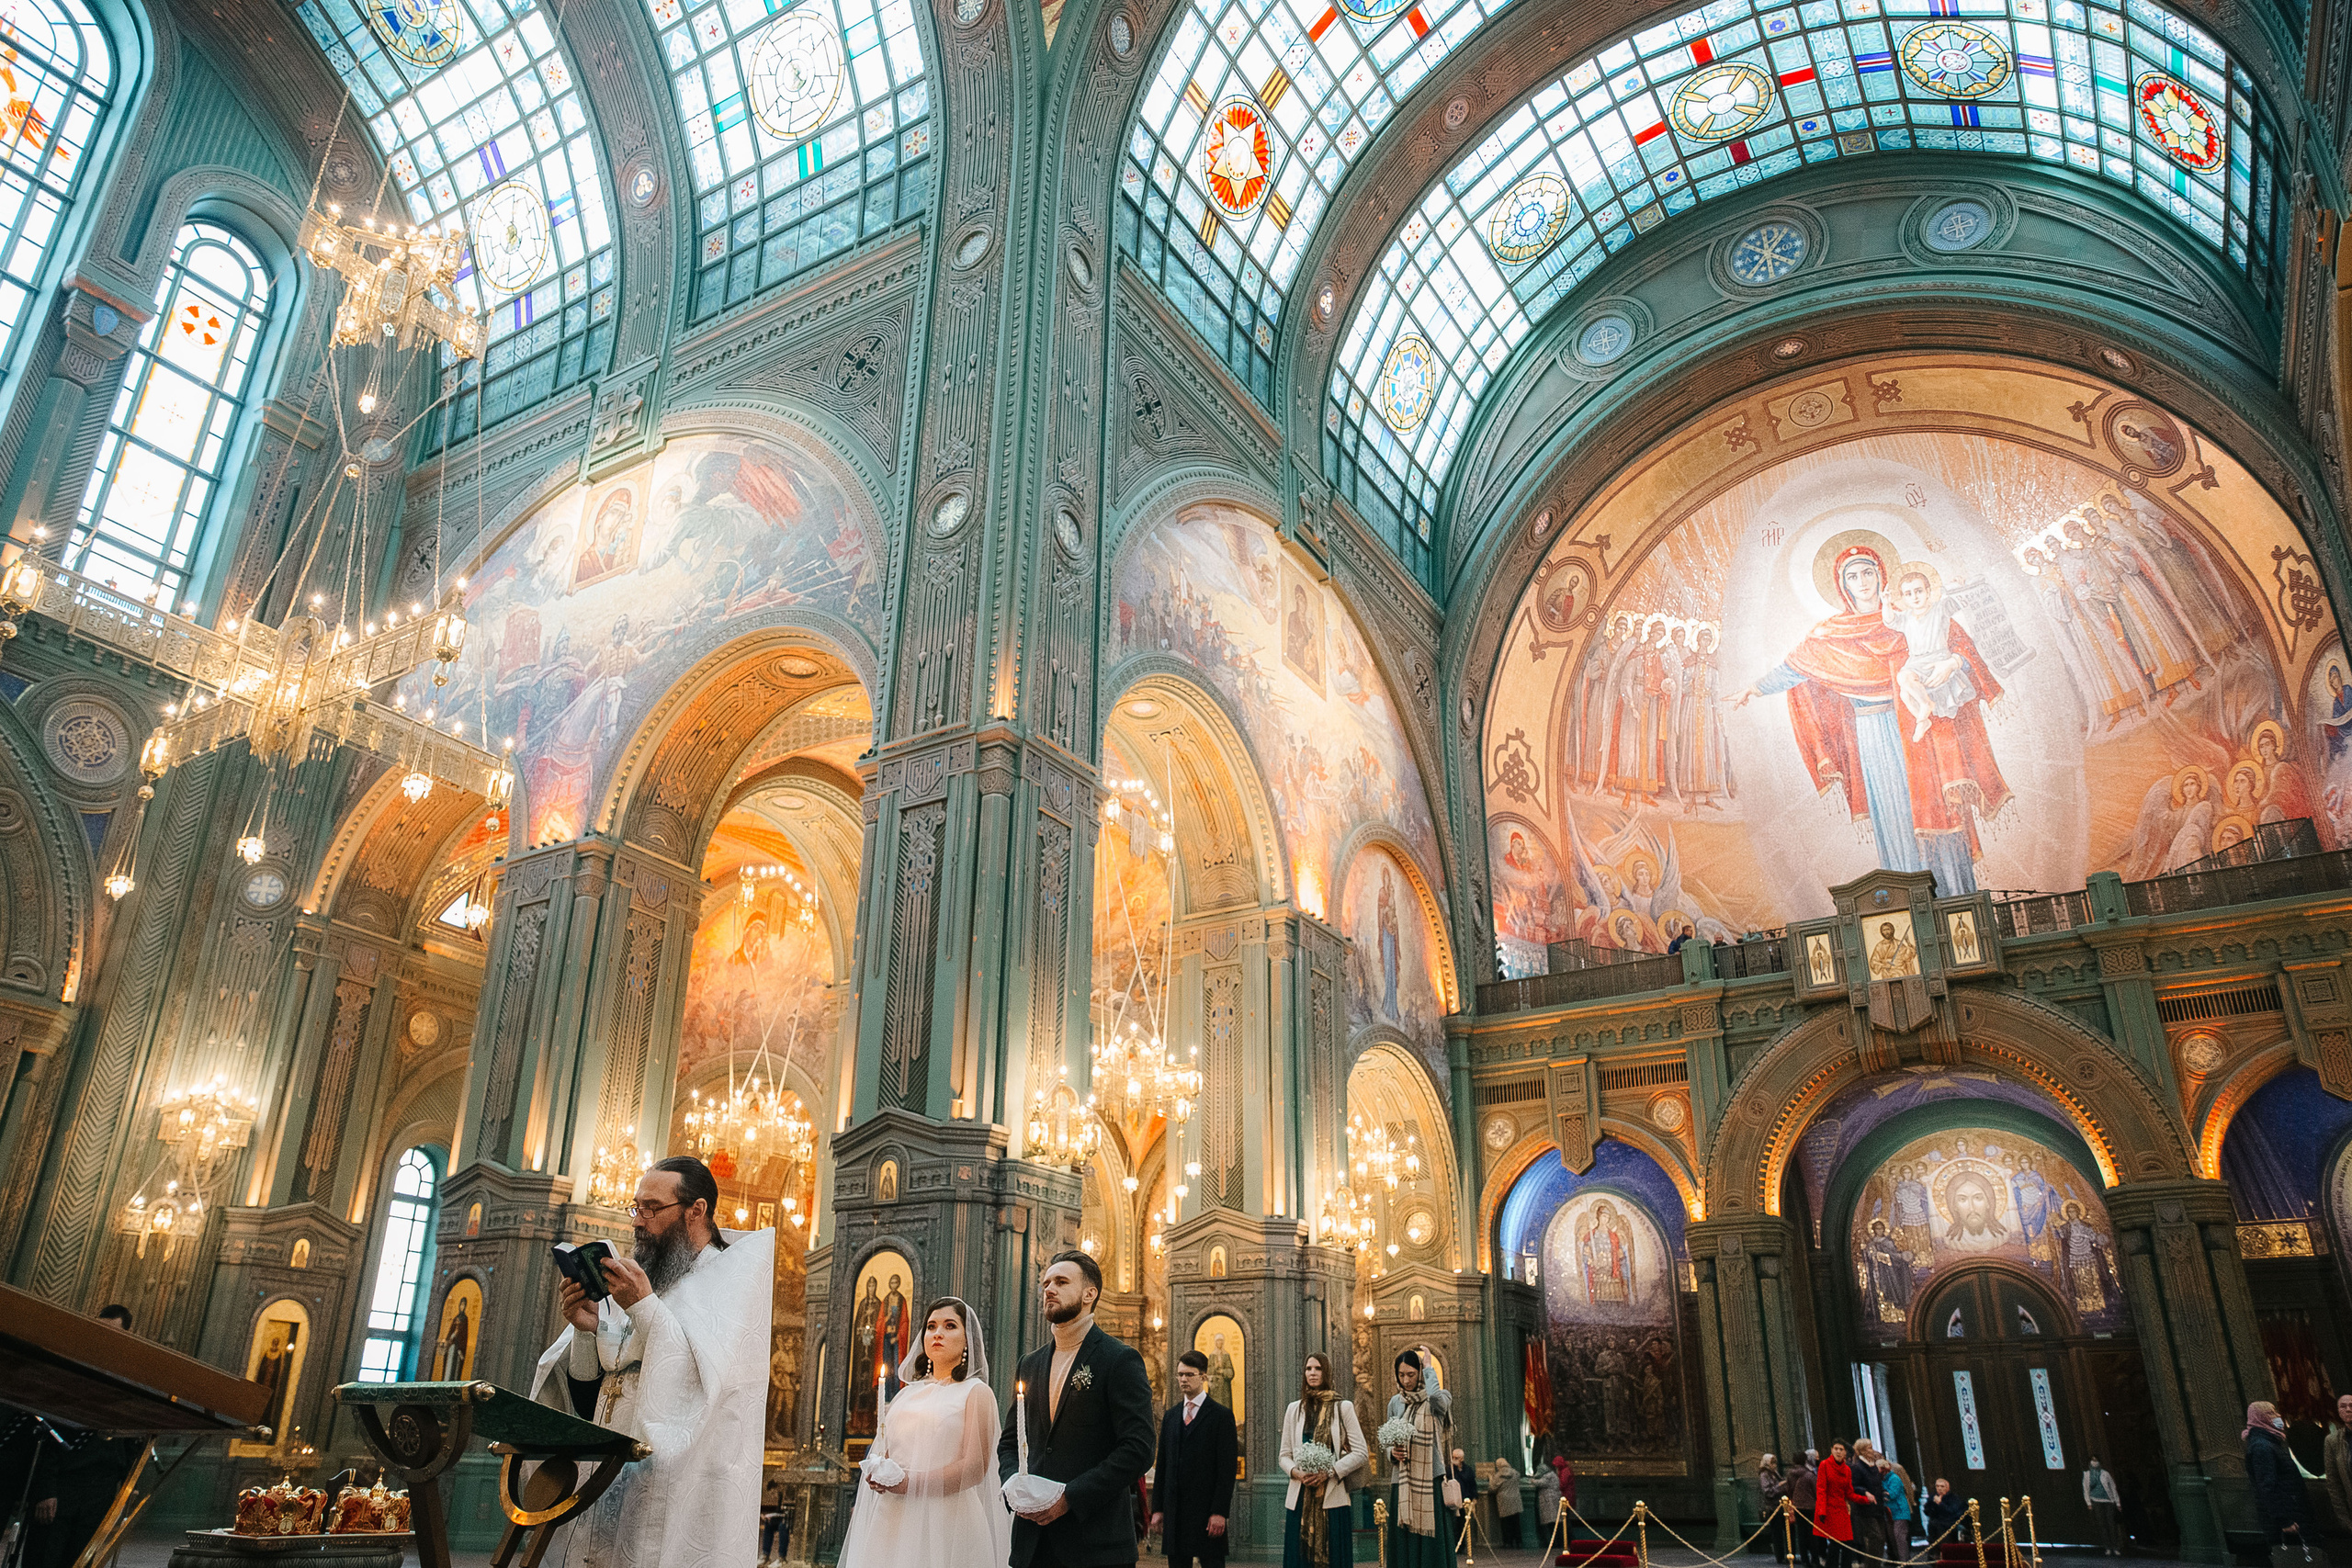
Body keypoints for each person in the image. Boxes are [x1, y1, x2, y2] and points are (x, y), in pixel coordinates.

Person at [530, 1156, 775, 1568]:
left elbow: (698, 1386)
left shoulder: (731, 1280)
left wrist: (643, 1307)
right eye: (636, 1207)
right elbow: (600, 1389)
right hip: (609, 1474)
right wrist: (589, 1330)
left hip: (681, 1483)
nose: (638, 1221)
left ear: (696, 1211)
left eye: (652, 1208)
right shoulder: (651, 1274)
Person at [996, 1249, 1156, 1568]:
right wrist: (1015, 1486)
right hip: (1032, 1543)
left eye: (1061, 1281)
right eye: (1045, 1284)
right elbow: (1010, 1443)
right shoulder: (1030, 1364)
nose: (1049, 1289)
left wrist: (1070, 1497)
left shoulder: (1118, 1359)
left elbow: (1138, 1449)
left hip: (1095, 1543)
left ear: (1089, 1293)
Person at [836, 1296, 1012, 1568]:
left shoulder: (975, 1393)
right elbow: (885, 1451)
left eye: (950, 1326)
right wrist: (876, 1471)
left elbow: (975, 1467)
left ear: (968, 1339)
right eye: (931, 1326)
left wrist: (910, 1483)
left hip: (948, 1521)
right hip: (894, 1515)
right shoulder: (906, 1394)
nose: (937, 1333)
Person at [1278, 1351, 1367, 1567]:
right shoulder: (1294, 1409)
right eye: (1308, 1369)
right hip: (1300, 1497)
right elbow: (1284, 1455)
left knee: (1333, 1557)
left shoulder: (1342, 1407)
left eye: (1318, 1369)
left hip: (1332, 1498)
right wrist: (1297, 1473)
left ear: (1326, 1372)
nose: (1312, 1373)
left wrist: (1330, 1472)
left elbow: (1361, 1452)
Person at [1152, 1349, 1238, 1568]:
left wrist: (1219, 1512)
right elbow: (1162, 1466)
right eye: (1180, 1374)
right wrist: (1158, 1509)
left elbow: (1226, 1470)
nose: (1183, 1379)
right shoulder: (1171, 1417)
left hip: (1207, 1512)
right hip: (1175, 1512)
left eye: (1189, 1375)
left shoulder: (1221, 1416)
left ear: (1203, 1376)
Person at [1385, 1351, 1452, 1568]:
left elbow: (1436, 1399)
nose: (1406, 1380)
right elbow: (1387, 1438)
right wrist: (1391, 1453)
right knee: (1403, 1539)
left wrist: (1430, 1367)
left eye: (1411, 1374)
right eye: (1401, 1375)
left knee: (1429, 1539)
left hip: (1429, 1479)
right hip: (1402, 1479)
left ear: (1420, 1373)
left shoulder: (1440, 1398)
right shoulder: (1395, 1402)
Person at [2245, 1401, 2311, 1549]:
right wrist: (2284, 1520)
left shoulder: (2271, 1442)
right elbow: (2268, 1485)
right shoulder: (2262, 1446)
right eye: (2271, 1413)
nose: (2278, 1416)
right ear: (2260, 1419)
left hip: (2293, 1511)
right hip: (2289, 1517)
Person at [1815, 1441, 1864, 1568]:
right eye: (1836, 1448)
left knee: (1848, 1543)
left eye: (1841, 1449)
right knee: (1835, 1544)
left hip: (1842, 1509)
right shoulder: (1824, 1465)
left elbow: (1849, 1493)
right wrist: (1821, 1510)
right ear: (1831, 1450)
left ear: (1845, 1453)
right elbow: (1821, 1489)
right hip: (1829, 1509)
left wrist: (1865, 1499)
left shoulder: (1847, 1469)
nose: (1838, 1451)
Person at [2081, 1458, 2122, 1557]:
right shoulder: (2087, 1475)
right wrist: (2088, 1503)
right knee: (2102, 1524)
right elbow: (2086, 1489)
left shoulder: (2105, 1474)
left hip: (2108, 1501)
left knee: (2111, 1524)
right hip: (2096, 1501)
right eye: (2093, 1460)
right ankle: (2107, 1547)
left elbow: (2112, 1487)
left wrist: (2117, 1502)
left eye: (2096, 1460)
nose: (2094, 1462)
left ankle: (2115, 1546)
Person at [1789, 1450, 1820, 1568]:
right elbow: (1815, 1490)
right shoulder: (1809, 1474)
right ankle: (1815, 1560)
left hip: (1797, 1506)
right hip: (1810, 1507)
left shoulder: (1790, 1474)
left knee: (1801, 1534)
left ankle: (1804, 1560)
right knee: (1813, 1535)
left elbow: (1789, 1489)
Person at [2326, 1393, 2352, 1534]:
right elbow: (2334, 1483)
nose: (2348, 1409)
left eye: (2351, 1406)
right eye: (2343, 1406)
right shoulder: (2333, 1441)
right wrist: (2345, 1520)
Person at [1759, 1454, 1791, 1562]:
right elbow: (1767, 1491)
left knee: (1786, 1531)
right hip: (1773, 1507)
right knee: (1777, 1533)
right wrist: (1780, 1486)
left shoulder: (1774, 1473)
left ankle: (1788, 1554)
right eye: (1772, 1463)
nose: (1774, 1465)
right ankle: (1780, 1556)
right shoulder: (1764, 1475)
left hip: (1781, 1506)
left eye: (1775, 1463)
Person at [1922, 1477, 1966, 1548]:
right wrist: (1932, 1503)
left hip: (1948, 1525)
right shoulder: (1933, 1497)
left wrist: (1940, 1504)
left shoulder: (1954, 1498)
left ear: (1947, 1487)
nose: (1939, 1488)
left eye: (1942, 1486)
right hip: (1935, 1525)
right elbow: (1927, 1512)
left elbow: (1952, 1512)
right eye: (1937, 1486)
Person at [1448, 1448, 1478, 1549]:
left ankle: (1462, 1546)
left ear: (1462, 1459)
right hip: (1452, 1500)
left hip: (1465, 1499)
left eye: (1456, 1458)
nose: (1454, 1459)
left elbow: (1472, 1484)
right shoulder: (1449, 1469)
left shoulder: (1468, 1470)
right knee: (1453, 1524)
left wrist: (1474, 1497)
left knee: (1463, 1525)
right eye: (1453, 1457)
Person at [1884, 1461, 1915, 1563]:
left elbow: (1906, 1485)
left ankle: (1904, 1561)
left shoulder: (1896, 1472)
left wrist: (1912, 1500)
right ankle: (1895, 1558)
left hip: (1900, 1509)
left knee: (1900, 1536)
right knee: (1892, 1536)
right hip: (1889, 1511)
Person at [1490, 1457, 1522, 1547]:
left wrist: (1490, 1479)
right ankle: (1519, 1542)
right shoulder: (1515, 1473)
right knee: (1516, 1522)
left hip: (1504, 1500)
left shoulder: (1498, 1476)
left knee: (1506, 1523)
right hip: (1515, 1499)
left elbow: (1493, 1487)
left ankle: (1508, 1542)